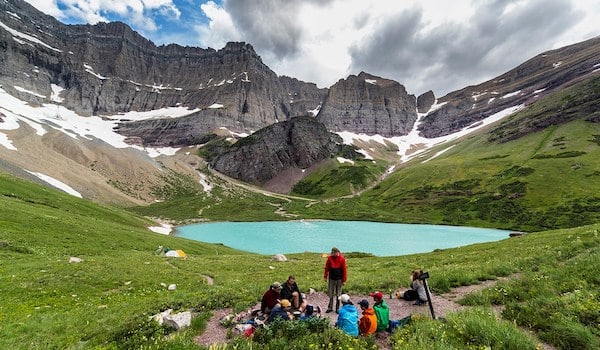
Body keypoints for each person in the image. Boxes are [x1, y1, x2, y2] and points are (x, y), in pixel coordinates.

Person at [324, 247, 347, 313]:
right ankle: (330, 307)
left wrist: (344, 280)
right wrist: (325, 276)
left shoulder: (342, 259)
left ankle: (337, 308)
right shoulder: (330, 258)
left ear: (337, 252)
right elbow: (327, 268)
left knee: (338, 294)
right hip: (331, 278)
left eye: (334, 253)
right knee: (331, 293)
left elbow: (344, 270)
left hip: (339, 279)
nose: (333, 254)